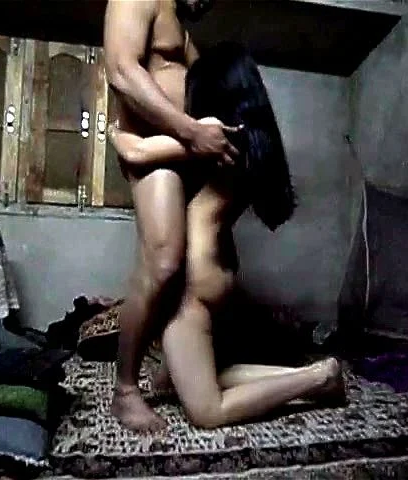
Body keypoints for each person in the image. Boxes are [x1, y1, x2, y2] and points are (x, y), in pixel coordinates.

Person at [109, 42, 345, 429]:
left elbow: (136, 152)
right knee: (187, 379)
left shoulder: (215, 139)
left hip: (191, 284)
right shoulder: (256, 143)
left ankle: (318, 377)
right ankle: (311, 375)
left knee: (208, 411)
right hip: (218, 269)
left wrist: (114, 131)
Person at [104, 0, 240, 432]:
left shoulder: (181, 25)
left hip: (186, 147)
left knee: (196, 268)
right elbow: (122, 71)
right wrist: (191, 130)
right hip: (158, 144)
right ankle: (125, 390)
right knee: (162, 261)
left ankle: (171, 369)